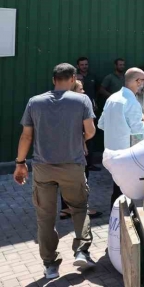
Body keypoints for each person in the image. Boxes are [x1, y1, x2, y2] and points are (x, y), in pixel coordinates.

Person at [14, 63, 96, 279]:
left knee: (45, 216)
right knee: (79, 207)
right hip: (73, 166)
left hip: (43, 168)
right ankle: (82, 251)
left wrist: (20, 163)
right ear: (73, 78)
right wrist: (79, 140)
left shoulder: (35, 102)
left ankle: (50, 265)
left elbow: (26, 137)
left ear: (54, 80)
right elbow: (90, 131)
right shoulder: (82, 100)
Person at [98, 68, 144, 208]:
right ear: (138, 81)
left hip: (111, 152)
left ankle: (114, 220)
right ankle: (120, 222)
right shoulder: (132, 102)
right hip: (128, 153)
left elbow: (101, 124)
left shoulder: (111, 98)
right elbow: (138, 133)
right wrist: (143, 121)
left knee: (117, 188)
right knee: (125, 191)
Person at [60, 80, 101, 220]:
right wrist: (83, 143)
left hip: (64, 147)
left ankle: (65, 208)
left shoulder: (61, 105)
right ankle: (82, 209)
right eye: (80, 89)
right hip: (78, 146)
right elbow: (86, 130)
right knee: (81, 177)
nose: (83, 92)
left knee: (65, 177)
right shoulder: (80, 105)